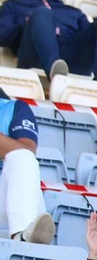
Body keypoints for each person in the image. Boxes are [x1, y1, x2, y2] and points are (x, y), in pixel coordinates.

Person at [0, 85, 51, 244]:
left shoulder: (13, 108)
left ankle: (22, 236)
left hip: (5, 200)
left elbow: (27, 150)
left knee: (23, 158)